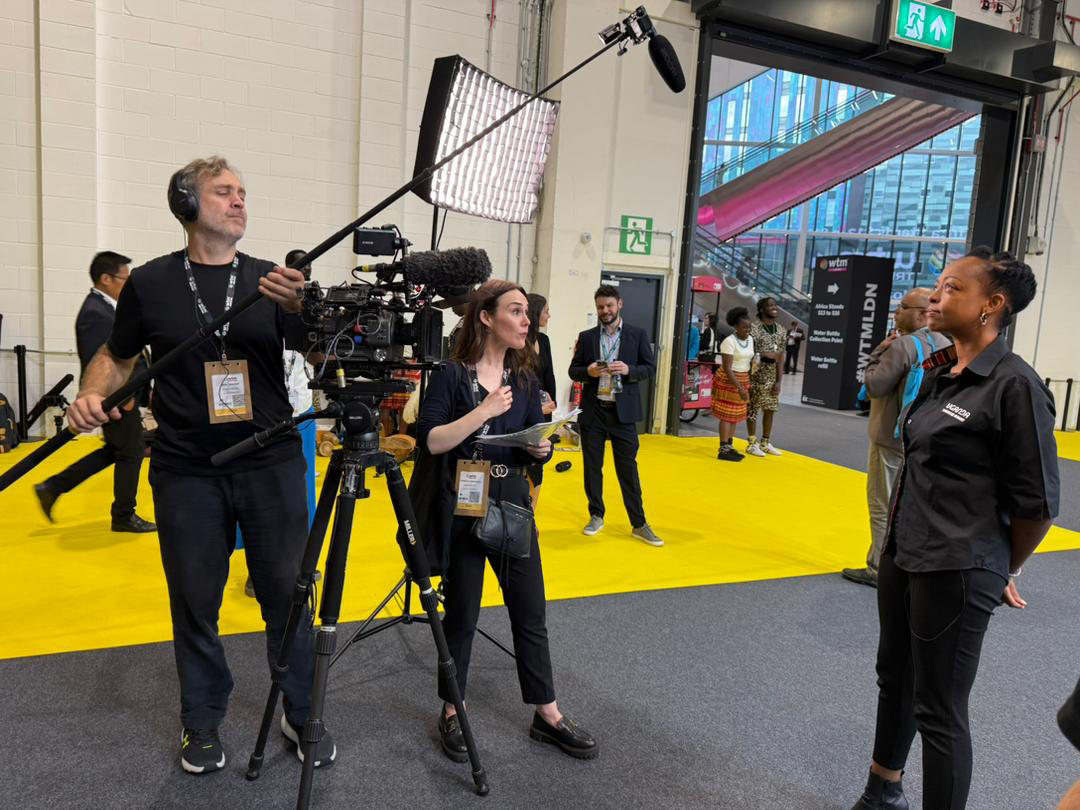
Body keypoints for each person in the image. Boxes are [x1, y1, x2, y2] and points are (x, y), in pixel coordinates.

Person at [63, 156, 335, 775]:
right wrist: (90, 390)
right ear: (187, 205)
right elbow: (116, 353)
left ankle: (300, 710)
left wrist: (303, 310)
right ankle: (203, 723)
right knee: (194, 601)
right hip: (187, 468)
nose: (240, 201)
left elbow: (319, 349)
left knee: (288, 596)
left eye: (243, 192)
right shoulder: (152, 282)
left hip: (269, 463)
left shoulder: (273, 282)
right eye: (224, 192)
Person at [850, 248, 1059, 810]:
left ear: (993, 304)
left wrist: (1003, 567)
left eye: (951, 288)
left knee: (938, 707)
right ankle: (881, 792)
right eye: (938, 286)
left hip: (959, 565)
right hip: (905, 551)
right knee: (895, 679)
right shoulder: (942, 371)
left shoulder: (1015, 386)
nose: (936, 297)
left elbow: (1038, 503)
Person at [418, 279, 597, 762]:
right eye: (516, 311)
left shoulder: (525, 380)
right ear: (485, 317)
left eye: (526, 313)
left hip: (515, 497)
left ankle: (548, 714)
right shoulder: (451, 376)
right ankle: (452, 709)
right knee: (463, 613)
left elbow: (528, 441)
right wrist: (482, 410)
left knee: (530, 611)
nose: (526, 320)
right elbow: (432, 441)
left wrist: (540, 447)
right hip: (467, 499)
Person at [34, 251, 156, 532]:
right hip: (116, 401)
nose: (129, 283)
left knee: (116, 450)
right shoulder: (95, 313)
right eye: (125, 278)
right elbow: (98, 361)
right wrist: (118, 399)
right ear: (106, 279)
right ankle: (124, 516)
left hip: (123, 398)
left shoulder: (108, 308)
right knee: (131, 453)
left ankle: (53, 487)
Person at [842, 288, 949, 588]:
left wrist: (878, 351)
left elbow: (875, 386)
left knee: (881, 503)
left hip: (890, 437)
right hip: (921, 438)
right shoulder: (943, 343)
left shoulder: (902, 346)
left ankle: (878, 567)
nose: (896, 312)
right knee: (908, 504)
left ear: (919, 313)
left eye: (901, 307)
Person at [568, 284, 662, 546]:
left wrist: (629, 369)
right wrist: (588, 372)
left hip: (624, 413)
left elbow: (649, 368)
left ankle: (639, 523)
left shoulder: (637, 335)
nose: (605, 311)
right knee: (592, 468)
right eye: (600, 307)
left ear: (619, 304)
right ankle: (596, 515)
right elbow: (572, 371)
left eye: (609, 305)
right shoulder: (586, 337)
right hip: (594, 411)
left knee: (628, 469)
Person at [525, 293, 558, 506]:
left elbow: (549, 376)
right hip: (524, 410)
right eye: (546, 311)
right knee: (524, 463)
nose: (549, 315)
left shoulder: (543, 340)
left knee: (539, 463)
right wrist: (537, 407)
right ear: (536, 313)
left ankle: (531, 515)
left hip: (544, 411)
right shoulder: (518, 339)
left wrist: (553, 407)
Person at [745, 297, 786, 457]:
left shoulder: (782, 330)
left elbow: (781, 357)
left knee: (770, 408)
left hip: (772, 374)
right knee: (753, 409)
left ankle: (765, 442)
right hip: (755, 374)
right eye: (770, 305)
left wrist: (779, 381)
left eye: (775, 305)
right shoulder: (754, 328)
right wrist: (765, 354)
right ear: (762, 309)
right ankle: (751, 443)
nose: (774, 308)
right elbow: (748, 351)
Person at [712, 307, 753, 462]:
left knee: (735, 415)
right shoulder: (729, 342)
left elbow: (749, 360)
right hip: (730, 380)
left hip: (743, 378)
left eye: (749, 327)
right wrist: (740, 388)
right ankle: (723, 449)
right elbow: (727, 368)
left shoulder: (750, 340)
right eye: (744, 327)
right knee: (727, 415)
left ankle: (729, 445)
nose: (747, 330)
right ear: (736, 327)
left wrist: (748, 382)